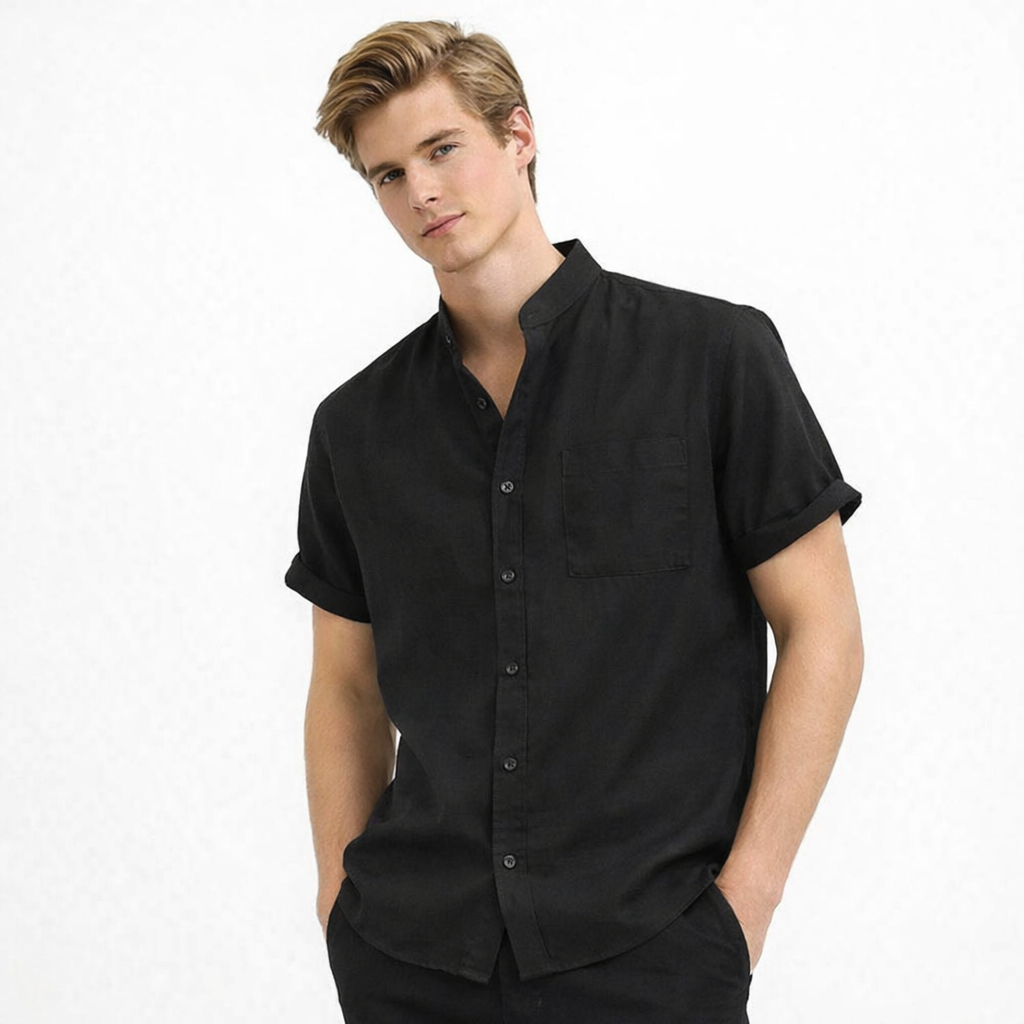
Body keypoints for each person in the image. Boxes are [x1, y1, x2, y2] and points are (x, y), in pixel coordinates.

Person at [284, 18, 864, 1024]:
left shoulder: (710, 359)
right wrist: (339, 901)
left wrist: (745, 907)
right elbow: (345, 685)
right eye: (387, 174)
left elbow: (823, 630)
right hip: (413, 958)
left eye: (442, 149)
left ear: (519, 135)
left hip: (653, 950)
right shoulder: (356, 426)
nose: (420, 192)